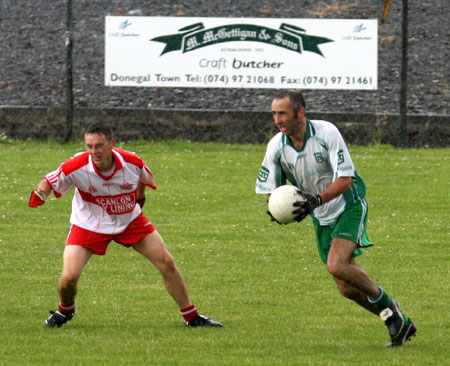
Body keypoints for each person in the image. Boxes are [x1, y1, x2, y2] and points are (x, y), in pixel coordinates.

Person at [255, 90, 416, 346]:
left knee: (337, 265)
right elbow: (271, 191)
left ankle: (389, 305)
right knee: (346, 287)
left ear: (301, 112)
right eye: (274, 113)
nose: (277, 119)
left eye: (283, 113)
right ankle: (396, 319)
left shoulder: (326, 133)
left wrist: (315, 200)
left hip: (348, 205)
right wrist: (277, 209)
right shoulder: (276, 146)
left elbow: (345, 180)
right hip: (320, 216)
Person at [29, 122, 222, 328]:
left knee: (166, 261)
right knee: (69, 278)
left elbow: (143, 179)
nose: (94, 151)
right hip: (88, 224)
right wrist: (40, 194)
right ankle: (64, 311)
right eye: (89, 146)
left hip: (129, 220)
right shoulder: (77, 166)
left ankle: (191, 317)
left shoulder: (132, 162)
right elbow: (49, 180)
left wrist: (138, 200)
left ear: (112, 143)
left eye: (99, 146)